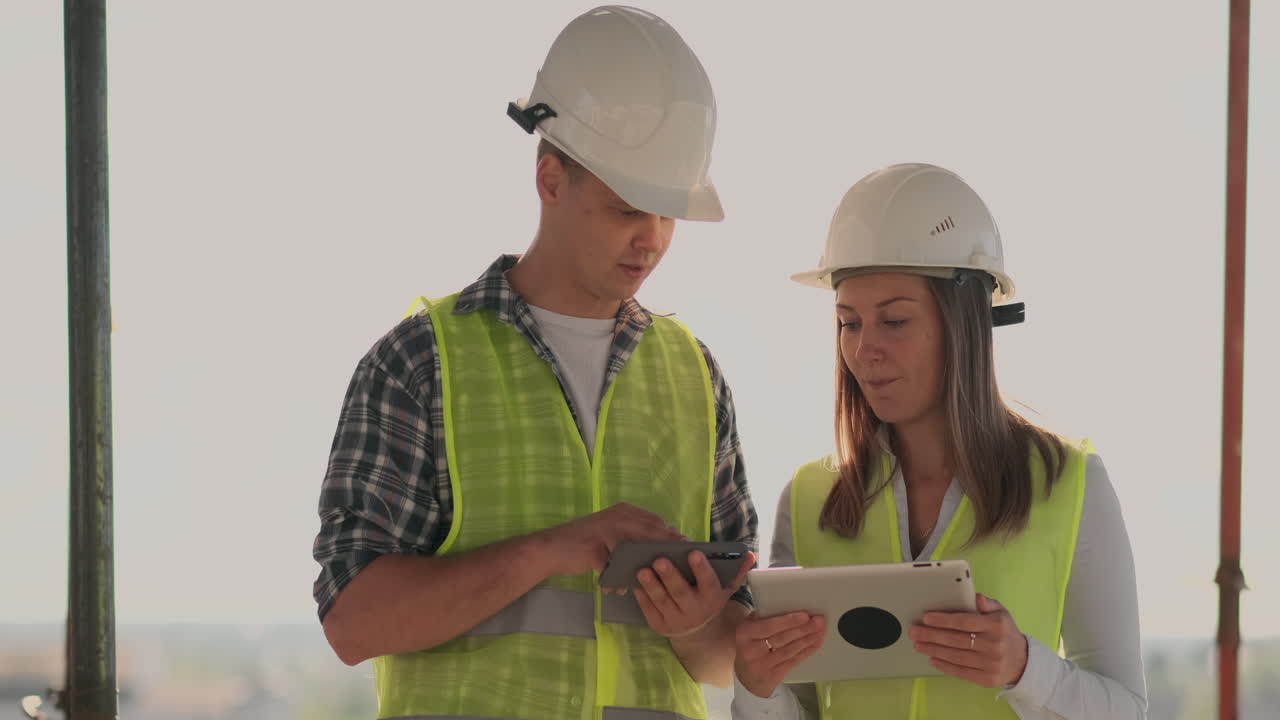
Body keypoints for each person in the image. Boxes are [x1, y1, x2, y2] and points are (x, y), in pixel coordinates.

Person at [310, 7, 758, 720]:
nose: (650, 241)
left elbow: (722, 654)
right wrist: (551, 549)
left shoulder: (694, 377)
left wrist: (702, 624)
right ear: (551, 180)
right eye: (625, 210)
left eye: (667, 217)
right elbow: (353, 622)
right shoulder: (421, 362)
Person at [730, 163, 1147, 719]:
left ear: (965, 322)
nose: (864, 350)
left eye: (895, 321)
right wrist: (755, 688)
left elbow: (1126, 709)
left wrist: (1025, 669)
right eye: (850, 323)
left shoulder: (1069, 483)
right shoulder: (808, 499)